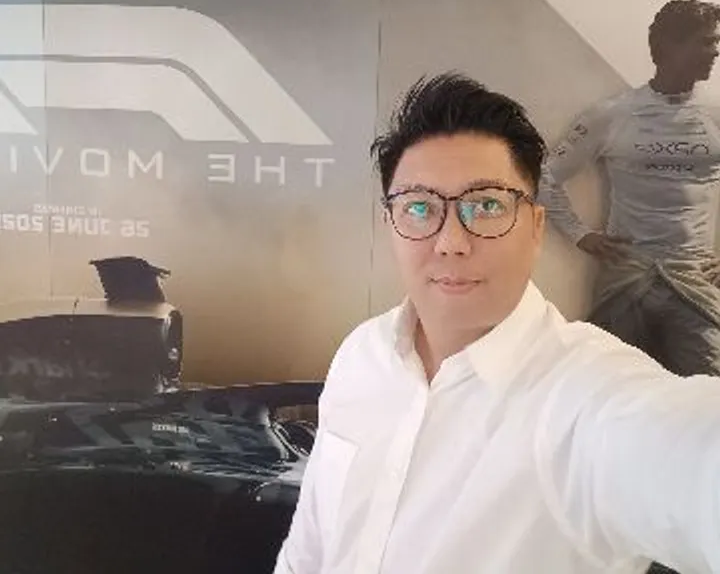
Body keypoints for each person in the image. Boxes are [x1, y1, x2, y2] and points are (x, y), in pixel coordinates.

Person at [273, 72, 720, 574]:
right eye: (419, 207)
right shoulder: (361, 355)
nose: (451, 242)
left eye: (486, 206)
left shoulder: (584, 400)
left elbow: (690, 454)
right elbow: (307, 551)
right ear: (390, 226)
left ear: (535, 227)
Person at [539, 0, 720, 378]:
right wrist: (581, 235)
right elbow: (544, 177)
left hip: (695, 280)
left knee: (709, 397)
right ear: (669, 46)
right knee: (611, 386)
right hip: (626, 278)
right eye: (706, 42)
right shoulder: (613, 114)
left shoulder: (714, 115)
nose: (715, 51)